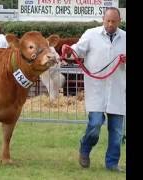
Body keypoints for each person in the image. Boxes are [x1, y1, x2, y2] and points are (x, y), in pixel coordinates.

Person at [61, 7, 126, 172]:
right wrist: (68, 52)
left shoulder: (125, 38)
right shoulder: (91, 34)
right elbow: (76, 50)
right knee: (95, 125)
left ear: (119, 21)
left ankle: (111, 164)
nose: (110, 24)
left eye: (114, 21)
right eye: (108, 21)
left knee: (117, 132)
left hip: (118, 91)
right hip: (96, 89)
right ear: (103, 20)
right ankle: (85, 147)